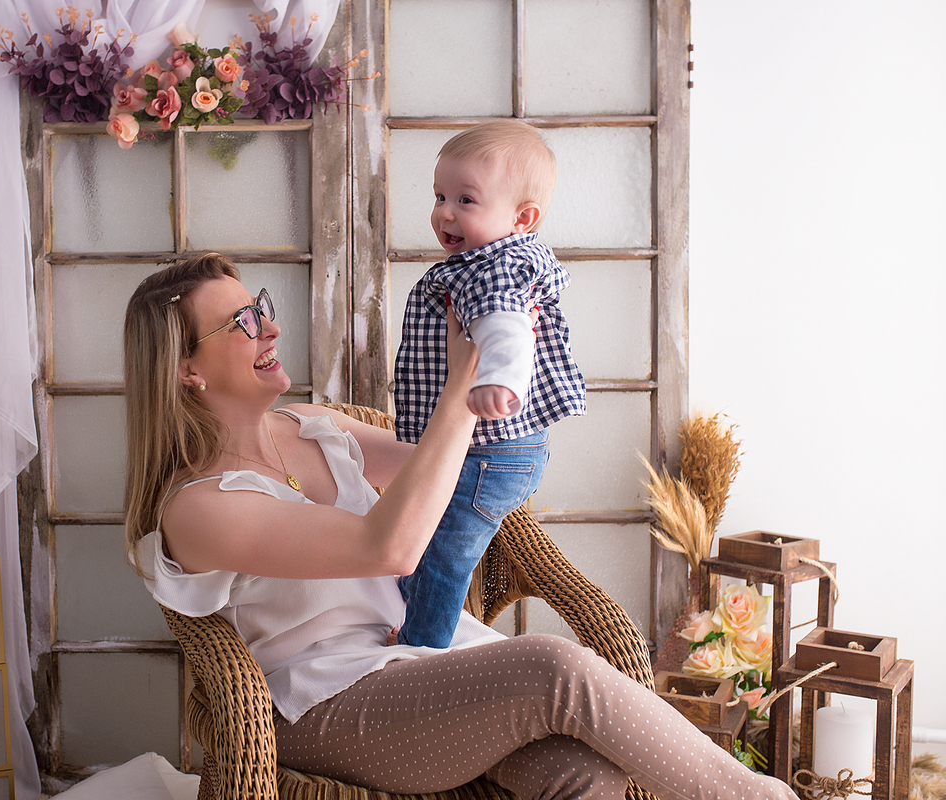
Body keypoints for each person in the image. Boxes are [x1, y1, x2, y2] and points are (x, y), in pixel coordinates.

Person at [124, 253, 797, 800]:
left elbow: (452, 469)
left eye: (261, 307)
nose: (269, 328)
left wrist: (503, 352)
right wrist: (459, 387)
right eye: (242, 321)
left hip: (420, 663)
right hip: (322, 705)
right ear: (186, 369)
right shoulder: (198, 506)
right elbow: (389, 546)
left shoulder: (314, 428)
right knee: (554, 665)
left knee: (586, 773)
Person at [392, 119, 585, 648]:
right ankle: (416, 618)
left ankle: (421, 647)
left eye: (466, 200)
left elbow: (508, 329)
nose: (444, 213)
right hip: (490, 450)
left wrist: (499, 382)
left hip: (492, 453)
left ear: (522, 218)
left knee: (445, 555)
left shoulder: (497, 270)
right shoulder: (485, 261)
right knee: (429, 539)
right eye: (440, 196)